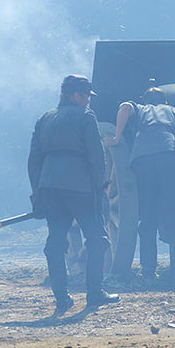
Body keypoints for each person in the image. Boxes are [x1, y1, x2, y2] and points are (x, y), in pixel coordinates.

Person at [28, 75, 119, 315]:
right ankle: (95, 292)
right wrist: (99, 186)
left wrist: (37, 191)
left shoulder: (44, 119)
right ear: (76, 95)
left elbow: (34, 160)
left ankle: (61, 298)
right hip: (80, 186)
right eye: (86, 96)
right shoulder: (86, 117)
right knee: (97, 238)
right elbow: (96, 154)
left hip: (50, 185)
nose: (88, 101)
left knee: (56, 241)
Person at [105, 87, 175, 284]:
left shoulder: (140, 109)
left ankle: (149, 272)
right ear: (165, 102)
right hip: (169, 156)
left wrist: (116, 137)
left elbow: (124, 108)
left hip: (142, 160)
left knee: (148, 218)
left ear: (145, 101)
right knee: (174, 216)